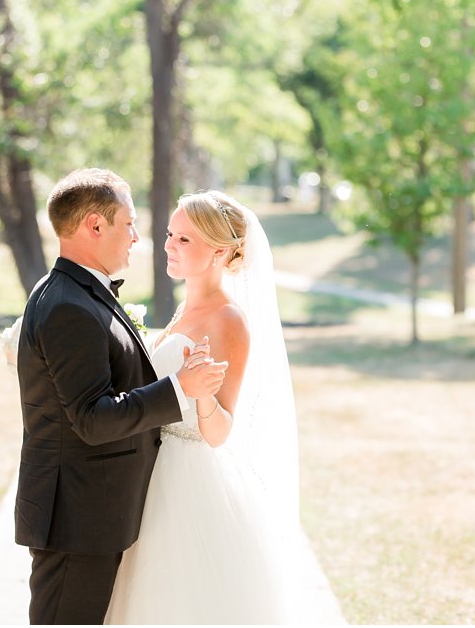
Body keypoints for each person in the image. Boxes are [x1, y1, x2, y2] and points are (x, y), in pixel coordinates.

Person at [15, 168, 228, 625]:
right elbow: (92, 418)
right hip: (77, 519)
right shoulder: (70, 305)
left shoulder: (77, 291)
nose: (136, 237)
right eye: (129, 223)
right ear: (95, 225)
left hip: (90, 513)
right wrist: (180, 388)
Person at [105, 189, 308, 624]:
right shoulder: (183, 309)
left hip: (187, 480)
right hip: (149, 469)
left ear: (219, 252)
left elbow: (220, 431)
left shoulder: (228, 320)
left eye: (184, 240)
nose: (167, 246)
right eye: (169, 235)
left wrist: (200, 398)